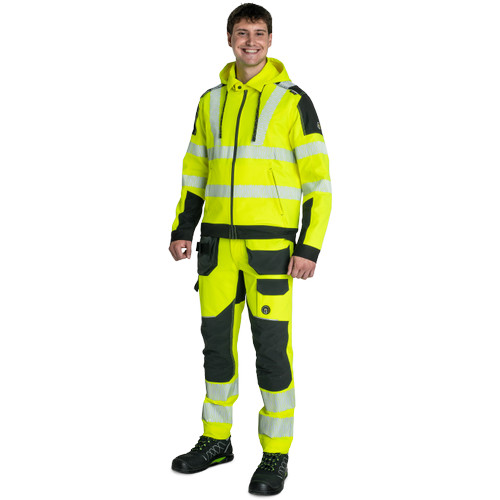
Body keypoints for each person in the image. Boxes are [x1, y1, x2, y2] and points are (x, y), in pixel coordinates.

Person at [169, 3, 331, 495]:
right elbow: (195, 170)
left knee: (272, 352)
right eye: (242, 33)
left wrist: (309, 246)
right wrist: (183, 228)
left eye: (259, 33)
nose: (251, 41)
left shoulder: (293, 101)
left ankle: (276, 454)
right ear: (229, 39)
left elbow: (319, 182)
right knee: (216, 348)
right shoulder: (210, 101)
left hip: (271, 252)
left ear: (271, 40)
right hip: (217, 249)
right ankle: (216, 441)